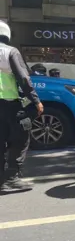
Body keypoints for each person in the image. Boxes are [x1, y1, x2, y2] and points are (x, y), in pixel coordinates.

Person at [0, 21, 44, 193]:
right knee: (21, 137)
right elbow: (24, 79)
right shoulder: (10, 51)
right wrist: (36, 101)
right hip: (10, 104)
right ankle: (12, 177)